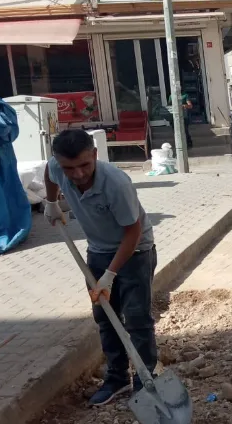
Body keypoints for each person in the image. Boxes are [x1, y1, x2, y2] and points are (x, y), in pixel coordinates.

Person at [43, 129, 158, 406]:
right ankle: (116, 378)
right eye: (70, 168)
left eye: (85, 164)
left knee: (137, 319)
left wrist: (110, 274)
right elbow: (49, 172)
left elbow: (132, 232)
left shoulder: (116, 185)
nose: (79, 174)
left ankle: (145, 381)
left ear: (95, 155)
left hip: (135, 253)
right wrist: (51, 202)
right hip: (96, 253)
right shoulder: (58, 168)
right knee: (105, 317)